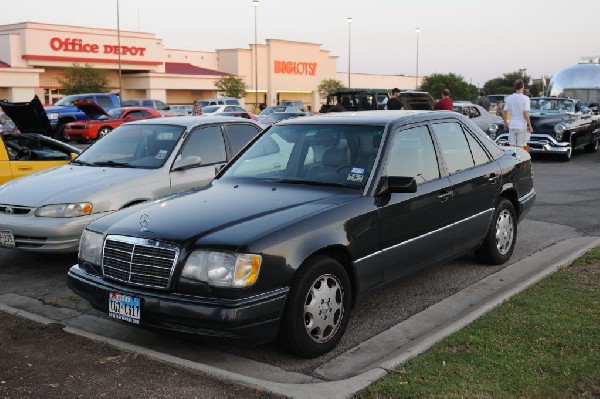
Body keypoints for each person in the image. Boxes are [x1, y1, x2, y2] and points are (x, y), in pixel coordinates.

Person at [503, 79, 533, 152]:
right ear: (523, 86)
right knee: (522, 146)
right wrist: (529, 125)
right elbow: (525, 113)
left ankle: (514, 162)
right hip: (521, 126)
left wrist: (505, 123)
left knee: (512, 147)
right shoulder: (525, 98)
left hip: (512, 125)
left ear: (515, 87)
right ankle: (524, 161)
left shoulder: (509, 98)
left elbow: (504, 111)